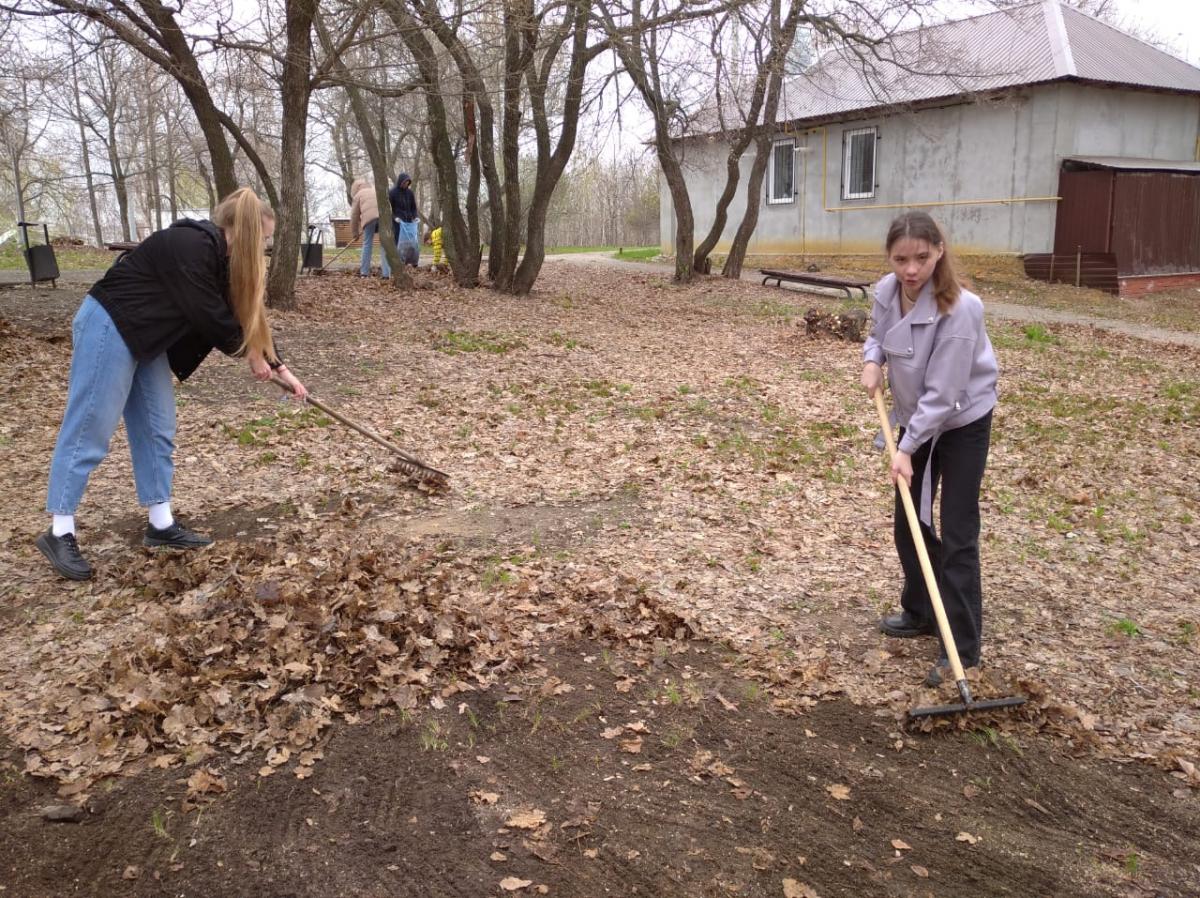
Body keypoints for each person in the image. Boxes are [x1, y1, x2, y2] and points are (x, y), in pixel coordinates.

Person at [35, 188, 308, 581]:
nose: (265, 246)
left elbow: (245, 316)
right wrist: (249, 355)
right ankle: (60, 529)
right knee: (90, 428)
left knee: (157, 428)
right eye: (264, 237)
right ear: (246, 230)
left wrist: (281, 369)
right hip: (109, 325)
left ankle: (160, 524)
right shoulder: (191, 245)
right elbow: (209, 314)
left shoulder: (220, 260)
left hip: (148, 341)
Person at [860, 210, 998, 687]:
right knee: (908, 521)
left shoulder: (960, 309)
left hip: (961, 420)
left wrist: (907, 447)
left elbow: (944, 393)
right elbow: (878, 337)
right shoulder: (885, 291)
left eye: (921, 257)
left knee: (958, 531)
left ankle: (962, 650)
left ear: (939, 252)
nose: (911, 270)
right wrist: (873, 360)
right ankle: (920, 609)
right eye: (901, 259)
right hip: (918, 418)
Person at [350, 178, 390, 278]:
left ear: (356, 189)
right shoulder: (375, 190)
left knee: (367, 244)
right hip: (384, 218)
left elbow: (354, 216)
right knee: (384, 245)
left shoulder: (358, 195)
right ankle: (386, 274)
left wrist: (355, 233)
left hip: (369, 219)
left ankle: (364, 273)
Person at [388, 172, 420, 267]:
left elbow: (413, 207)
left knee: (411, 242)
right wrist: (394, 217)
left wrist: (415, 217)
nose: (406, 184)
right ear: (400, 182)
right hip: (398, 222)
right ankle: (399, 262)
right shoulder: (392, 192)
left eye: (407, 183)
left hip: (409, 222)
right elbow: (389, 209)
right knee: (399, 242)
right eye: (404, 182)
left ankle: (411, 261)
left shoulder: (409, 193)